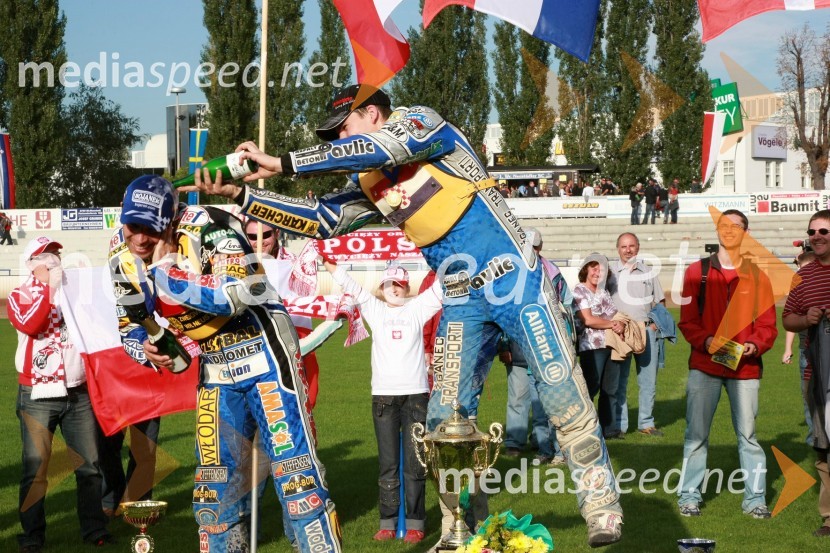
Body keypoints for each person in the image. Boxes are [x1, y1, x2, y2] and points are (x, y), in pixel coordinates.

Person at [190, 83, 623, 547]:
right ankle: (460, 528)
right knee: (443, 423)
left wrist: (282, 162)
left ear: (373, 114)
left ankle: (602, 508)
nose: (339, 140)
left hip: (514, 278)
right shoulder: (368, 179)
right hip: (460, 297)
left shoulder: (420, 121)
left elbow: (376, 149)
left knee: (561, 391)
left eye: (343, 128)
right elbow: (324, 219)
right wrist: (245, 198)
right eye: (334, 136)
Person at [109, 175, 342, 552]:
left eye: (149, 229)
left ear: (170, 220)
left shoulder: (210, 226)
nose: (138, 239)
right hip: (215, 365)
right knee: (213, 491)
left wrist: (166, 272)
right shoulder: (120, 254)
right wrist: (145, 347)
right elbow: (129, 324)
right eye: (131, 226)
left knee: (297, 480)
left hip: (265, 352)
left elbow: (234, 295)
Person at [9, 236, 113, 552]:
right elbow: (32, 324)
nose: (53, 259)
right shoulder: (20, 295)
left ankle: (94, 529)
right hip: (37, 394)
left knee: (90, 466)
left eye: (55, 253)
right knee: (36, 470)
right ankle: (32, 535)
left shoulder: (74, 293)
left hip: (78, 392)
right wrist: (49, 289)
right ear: (31, 264)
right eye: (46, 255)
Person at [326, 260, 441, 544]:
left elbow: (441, 287)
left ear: (407, 288)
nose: (395, 289)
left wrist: (451, 256)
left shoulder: (417, 308)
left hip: (415, 396)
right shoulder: (374, 309)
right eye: (390, 284)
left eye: (400, 285)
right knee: (388, 465)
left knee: (415, 465)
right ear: (381, 288)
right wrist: (329, 264)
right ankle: (387, 522)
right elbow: (350, 285)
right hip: (384, 398)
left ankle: (415, 523)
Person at [677, 209, 777, 518]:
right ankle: (689, 497)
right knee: (696, 436)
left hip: (745, 368)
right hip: (705, 365)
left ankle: (755, 500)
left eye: (737, 226)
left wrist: (754, 344)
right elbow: (687, 321)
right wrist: (707, 341)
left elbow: (768, 325)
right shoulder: (697, 271)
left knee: (748, 438)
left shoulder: (759, 276)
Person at [501, 228, 572, 465]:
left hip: (548, 346)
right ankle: (515, 442)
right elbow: (504, 312)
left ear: (540, 248)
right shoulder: (510, 273)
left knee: (546, 402)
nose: (529, 252)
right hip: (518, 346)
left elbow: (567, 304)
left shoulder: (553, 272)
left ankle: (544, 444)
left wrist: (567, 337)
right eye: (525, 247)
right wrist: (503, 344)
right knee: (518, 397)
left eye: (533, 247)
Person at [782, 209, 830, 537]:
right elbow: (787, 318)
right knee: (824, 448)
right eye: (812, 231)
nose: (817, 236)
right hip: (817, 374)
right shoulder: (803, 276)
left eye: (824, 231)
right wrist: (805, 319)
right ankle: (829, 518)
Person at [606, 233, 668, 438]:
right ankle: (620, 426)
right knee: (619, 381)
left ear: (638, 248)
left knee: (648, 381)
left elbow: (660, 301)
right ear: (618, 249)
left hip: (646, 331)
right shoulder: (609, 274)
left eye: (631, 246)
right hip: (620, 333)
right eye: (624, 246)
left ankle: (646, 423)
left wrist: (654, 326)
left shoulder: (648, 272)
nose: (628, 250)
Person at [572, 254, 625, 437]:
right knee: (590, 388)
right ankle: (583, 428)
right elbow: (587, 319)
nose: (597, 272)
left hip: (611, 344)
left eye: (601, 269)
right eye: (594, 268)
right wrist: (612, 323)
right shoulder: (579, 291)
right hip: (591, 347)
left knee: (610, 389)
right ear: (585, 269)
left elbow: (614, 315)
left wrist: (620, 324)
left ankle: (609, 429)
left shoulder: (603, 292)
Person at [782, 249, 817, 447]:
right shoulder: (798, 290)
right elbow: (790, 321)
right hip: (806, 351)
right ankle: (814, 437)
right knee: (808, 395)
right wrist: (788, 348)